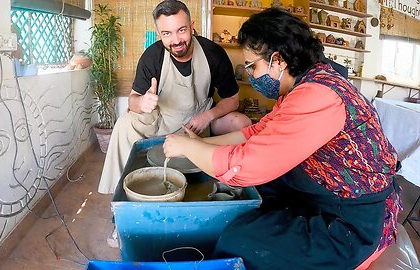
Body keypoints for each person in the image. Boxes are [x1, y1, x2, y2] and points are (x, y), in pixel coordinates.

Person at [163, 8, 402, 270]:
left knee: (239, 241)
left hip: (351, 224)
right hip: (324, 194)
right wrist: (199, 144)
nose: (251, 75)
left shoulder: (319, 96)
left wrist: (187, 147)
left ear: (277, 60)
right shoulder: (303, 86)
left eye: (252, 66)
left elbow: (246, 166)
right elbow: (255, 133)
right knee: (251, 197)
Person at [98, 0, 251, 194]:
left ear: (192, 27)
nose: (176, 40)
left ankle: (238, 186)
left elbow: (233, 100)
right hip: (162, 122)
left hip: (200, 122)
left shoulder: (213, 54)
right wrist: (142, 102)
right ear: (160, 34)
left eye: (181, 30)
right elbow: (132, 100)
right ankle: (120, 195)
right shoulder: (152, 56)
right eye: (167, 33)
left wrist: (207, 117)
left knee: (242, 123)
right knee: (124, 123)